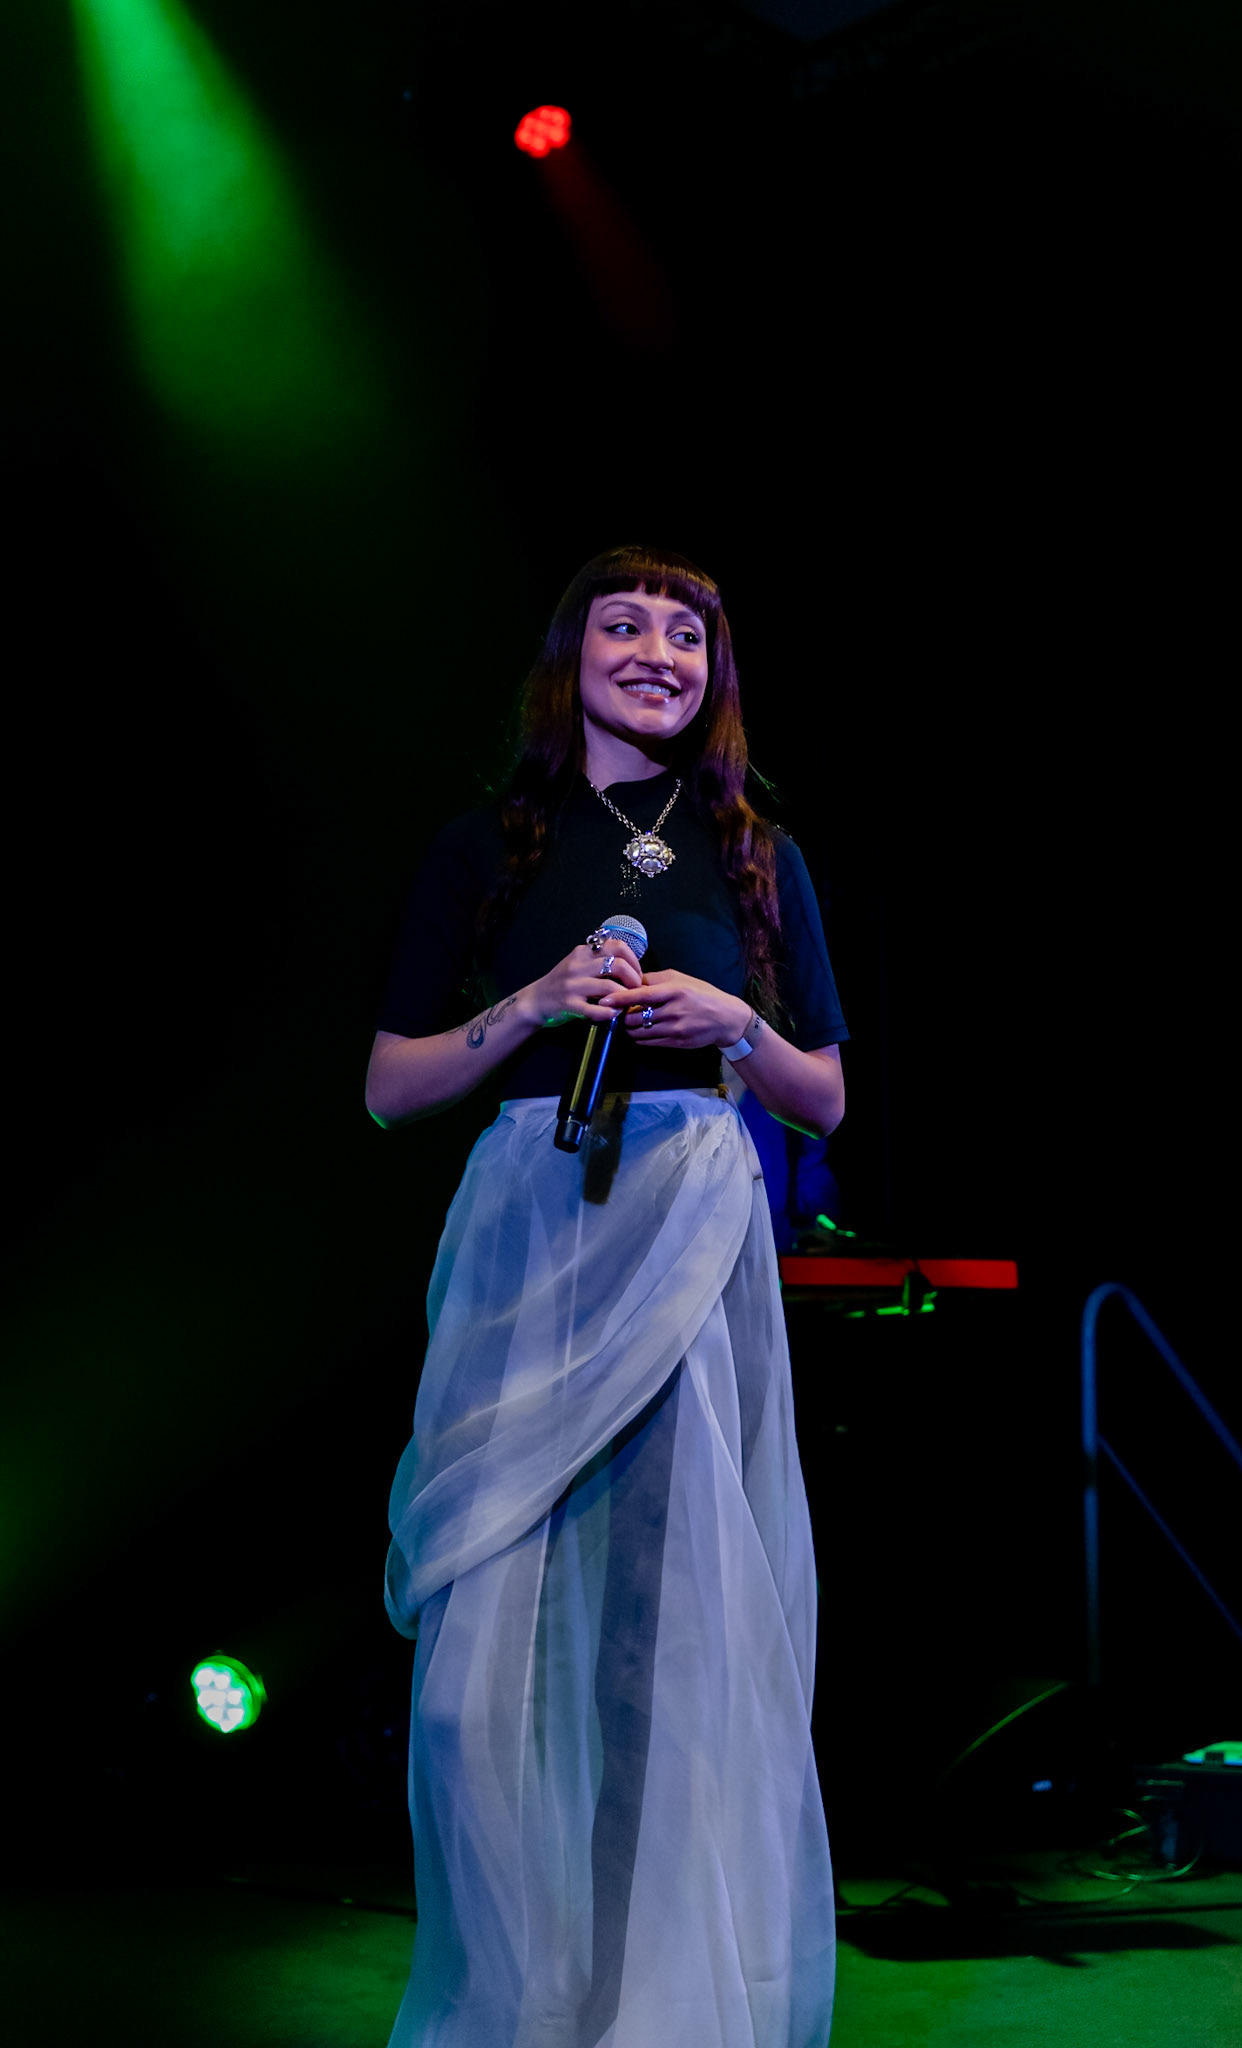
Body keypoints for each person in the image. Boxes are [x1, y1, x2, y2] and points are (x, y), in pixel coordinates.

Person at [367, 545, 849, 2048]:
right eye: (626, 625)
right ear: (570, 653)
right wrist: (527, 1004)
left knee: (667, 1645)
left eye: (687, 634)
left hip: (690, 1222)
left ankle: (657, 2013)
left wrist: (733, 1026)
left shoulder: (757, 849)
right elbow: (389, 1089)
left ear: (715, 675)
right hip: (532, 1225)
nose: (657, 651)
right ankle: (515, 2000)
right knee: (477, 1670)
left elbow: (826, 1098)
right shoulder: (490, 843)